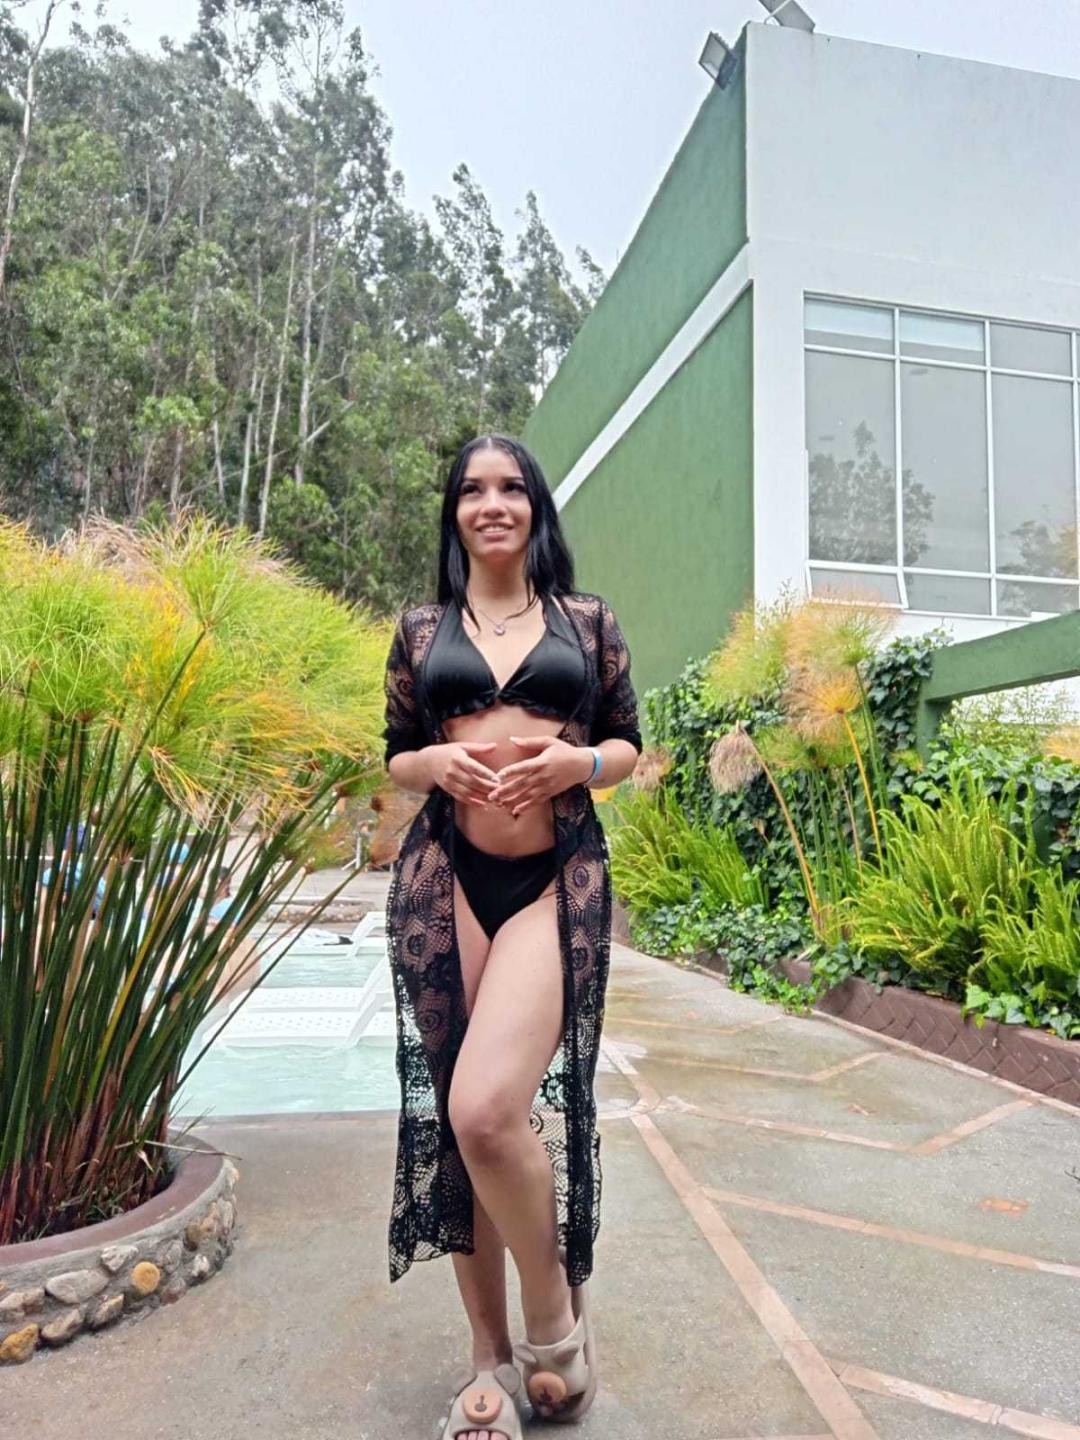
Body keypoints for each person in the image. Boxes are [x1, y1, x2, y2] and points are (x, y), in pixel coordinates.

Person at [382, 434, 642, 1438]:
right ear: (455, 512)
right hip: (446, 880)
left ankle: (553, 1322)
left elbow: (626, 742)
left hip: (548, 883)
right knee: (461, 1130)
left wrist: (580, 765)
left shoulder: (586, 620)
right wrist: (435, 769)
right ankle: (487, 1359)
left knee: (488, 1109)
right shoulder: (421, 629)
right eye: (473, 490)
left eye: (511, 488)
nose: (492, 503)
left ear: (536, 507)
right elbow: (398, 753)